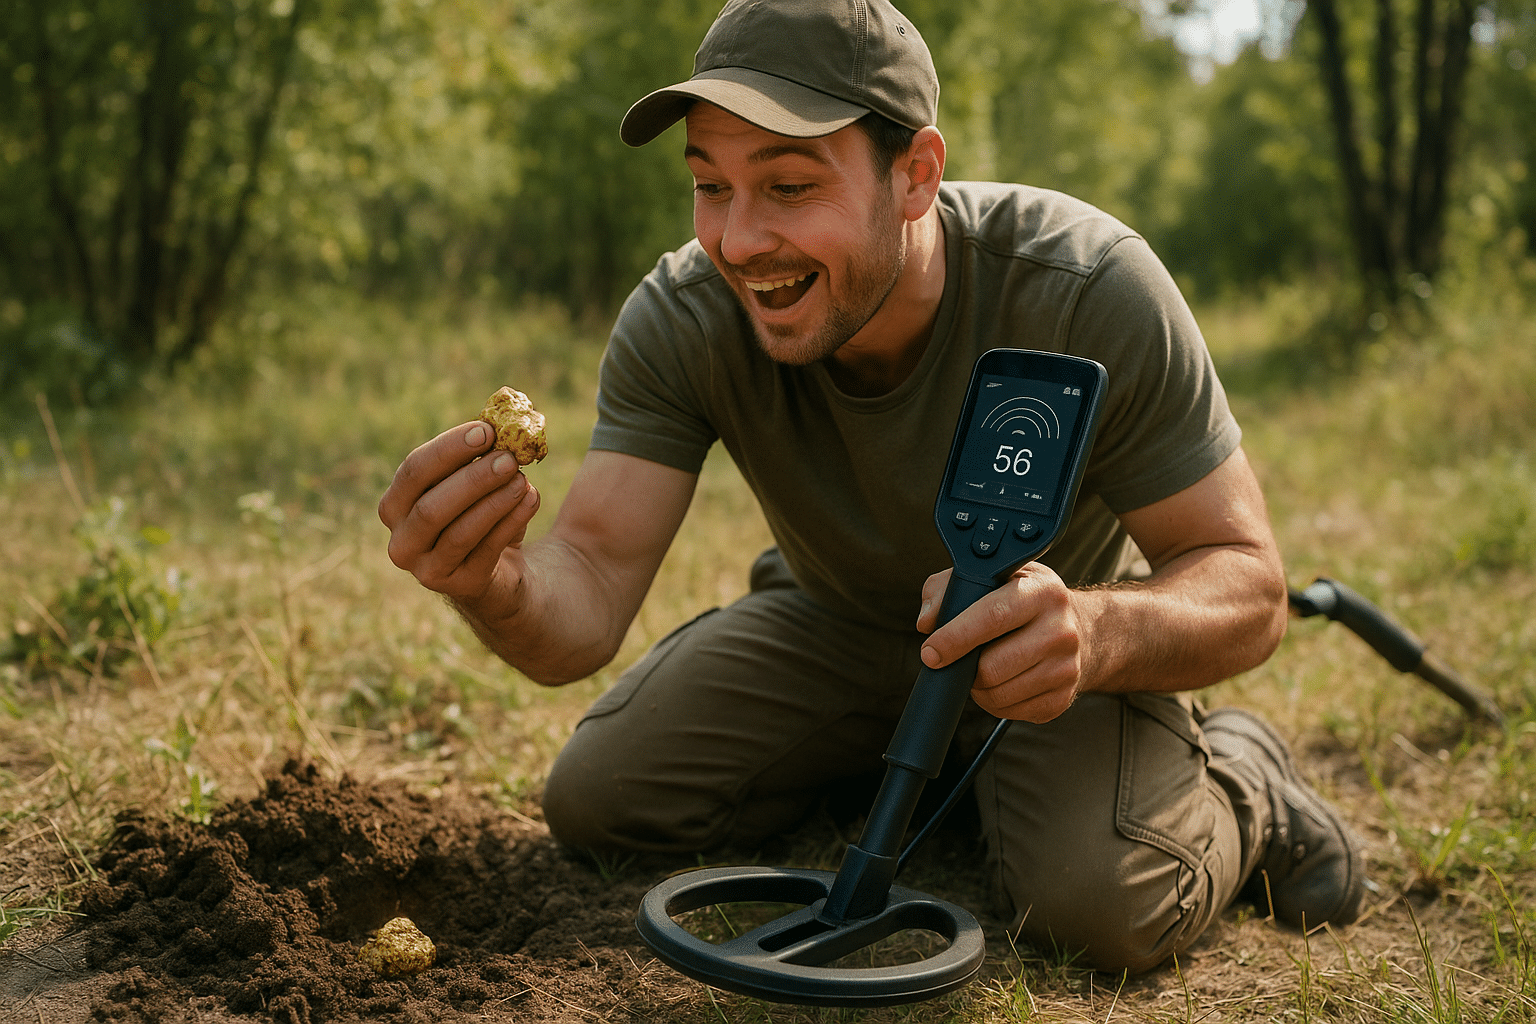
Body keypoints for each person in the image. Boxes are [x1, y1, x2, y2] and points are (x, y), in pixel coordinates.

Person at [378, 0, 1365, 972]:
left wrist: (1096, 632)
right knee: (601, 802)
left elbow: (1247, 582)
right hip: (835, 624)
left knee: (1100, 907)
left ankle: (1243, 779)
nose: (738, 240)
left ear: (916, 175)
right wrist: (490, 582)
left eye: (792, 185)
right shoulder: (681, 319)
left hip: (1046, 653)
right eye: (710, 186)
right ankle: (917, 779)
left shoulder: (1085, 286)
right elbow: (584, 592)